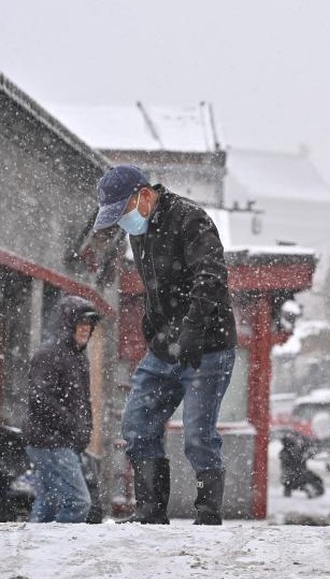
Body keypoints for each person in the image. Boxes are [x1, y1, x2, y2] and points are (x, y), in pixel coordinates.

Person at [93, 164, 237, 525]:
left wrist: (192, 329)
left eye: (123, 212)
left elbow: (211, 277)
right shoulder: (138, 233)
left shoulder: (191, 219)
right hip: (164, 347)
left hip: (209, 346)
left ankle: (207, 514)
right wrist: (152, 321)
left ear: (144, 195)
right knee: (137, 422)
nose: (123, 223)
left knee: (198, 435)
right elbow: (156, 285)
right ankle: (151, 510)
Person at [22, 295, 100, 523]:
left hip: (59, 442)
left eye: (89, 325)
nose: (86, 329)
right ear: (68, 324)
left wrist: (81, 431)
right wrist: (72, 426)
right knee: (78, 501)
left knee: (50, 501)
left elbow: (81, 402)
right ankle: (58, 548)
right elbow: (39, 398)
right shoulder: (50, 354)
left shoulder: (77, 357)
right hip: (51, 442)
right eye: (81, 323)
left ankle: (36, 549)